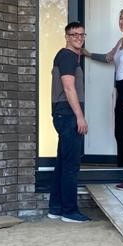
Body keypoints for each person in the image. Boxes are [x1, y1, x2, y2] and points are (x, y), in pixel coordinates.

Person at [87, 7, 123, 190]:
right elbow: (108, 58)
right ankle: (122, 169)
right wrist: (88, 54)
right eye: (121, 18)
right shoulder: (121, 42)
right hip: (120, 90)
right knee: (119, 132)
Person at [48, 21, 91, 223]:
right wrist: (80, 116)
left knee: (62, 164)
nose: (78, 38)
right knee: (71, 166)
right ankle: (69, 211)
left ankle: (56, 208)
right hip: (68, 115)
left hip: (63, 114)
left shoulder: (71, 56)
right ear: (66, 37)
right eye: (74, 35)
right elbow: (68, 87)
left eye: (82, 35)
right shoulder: (67, 56)